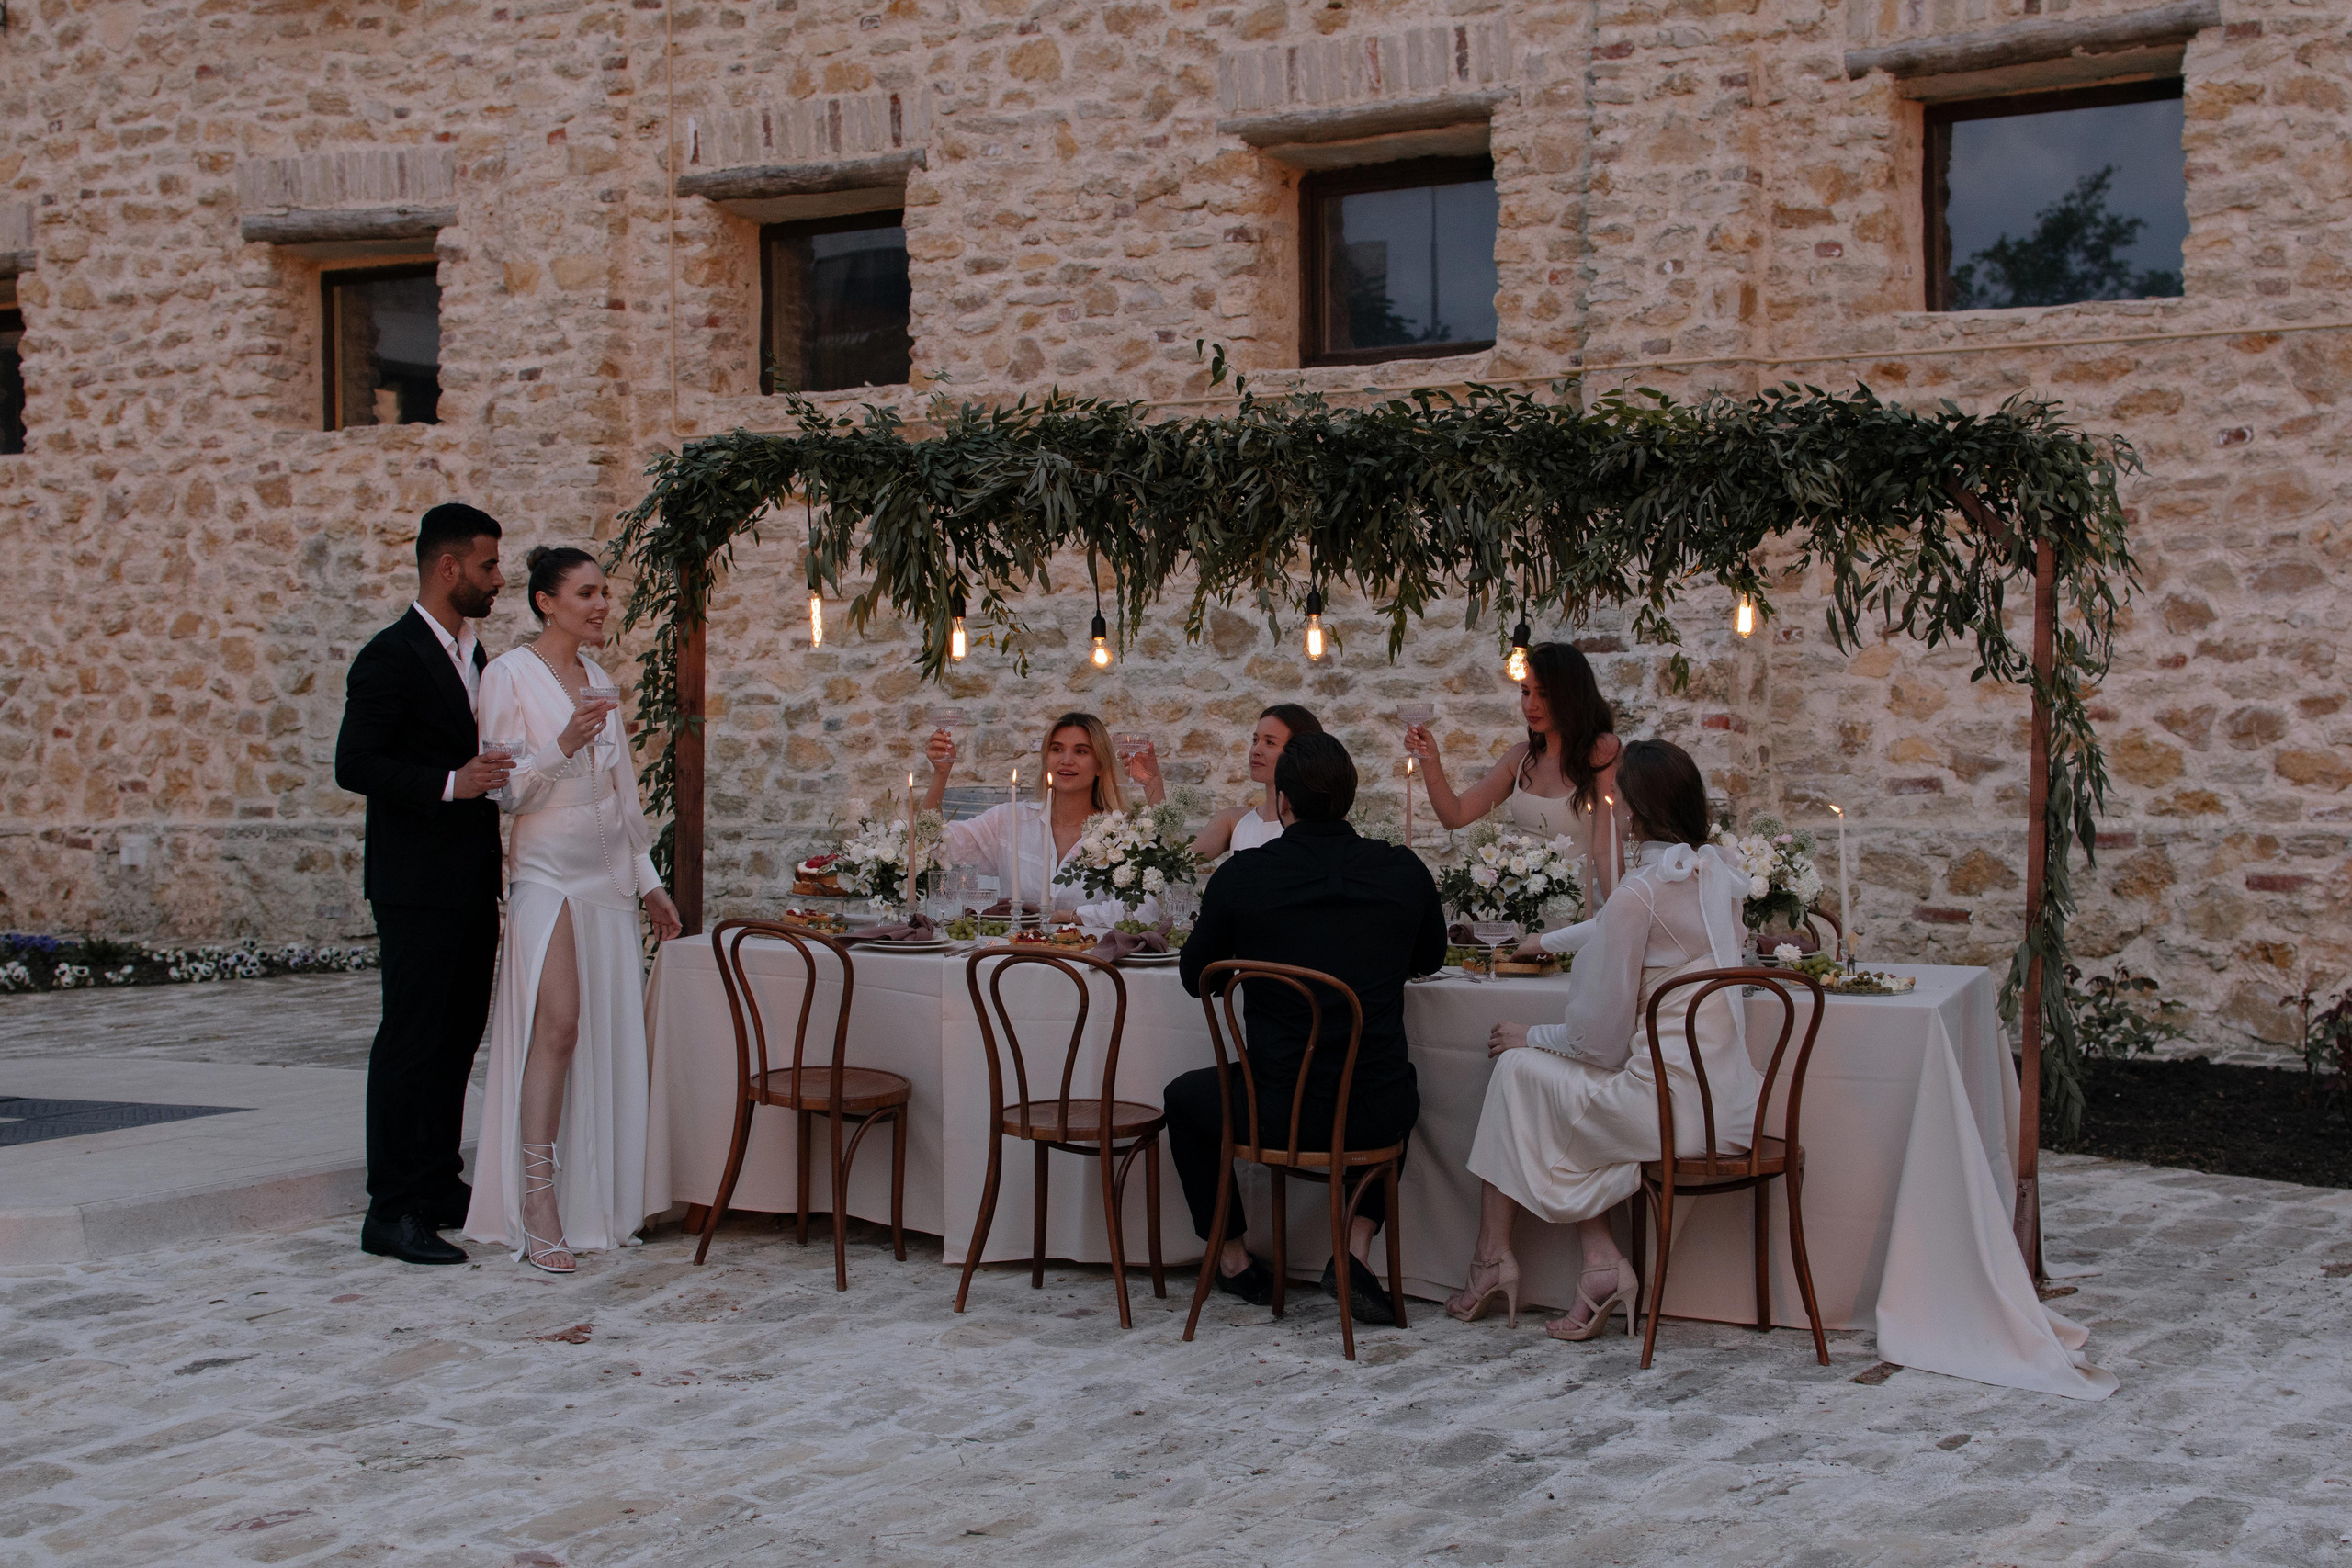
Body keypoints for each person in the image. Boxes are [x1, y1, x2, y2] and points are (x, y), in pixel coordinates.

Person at [1445, 739, 1754, 1341]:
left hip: (1668, 1115)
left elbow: (1600, 1041)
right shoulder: (1713, 873)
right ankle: (1596, 1265)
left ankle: (1498, 1258)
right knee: (1540, 1077)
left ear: (1634, 812)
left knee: (1516, 1068)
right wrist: (1554, 940)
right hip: (1730, 1103)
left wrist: (1529, 1033)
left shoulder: (1642, 891)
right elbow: (1635, 923)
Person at [1169, 732, 1446, 1325]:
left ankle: (1236, 1258)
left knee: (1184, 1098)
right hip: (1370, 1109)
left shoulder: (1245, 875)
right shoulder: (1401, 869)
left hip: (1275, 1106)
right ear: (1348, 799)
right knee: (1400, 1085)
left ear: (1283, 799)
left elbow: (1197, 977)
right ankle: (1353, 1247)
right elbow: (1430, 959)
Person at [464, 547, 682, 1273]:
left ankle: (605, 1200)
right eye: (586, 593)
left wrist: (649, 882)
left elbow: (623, 798)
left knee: (607, 1031)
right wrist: (561, 744)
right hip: (547, 874)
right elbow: (504, 792)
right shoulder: (508, 676)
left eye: (605, 593)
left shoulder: (599, 679)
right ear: (547, 602)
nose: (600, 605)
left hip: (606, 881)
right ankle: (537, 1199)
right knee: (556, 1026)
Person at [335, 503, 514, 1266]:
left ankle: (441, 1182)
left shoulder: (477, 655)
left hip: (471, 879)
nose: (497, 580)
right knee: (410, 1042)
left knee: (456, 1038)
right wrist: (451, 782)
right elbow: (356, 763)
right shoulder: (391, 655)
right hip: (414, 884)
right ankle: (391, 1208)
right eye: (487, 567)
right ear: (448, 568)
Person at [1406, 641, 1626, 899]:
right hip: (1524, 912)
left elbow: (1606, 849)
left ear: (1570, 695)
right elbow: (1454, 815)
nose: (1530, 705)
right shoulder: (1520, 758)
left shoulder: (1601, 751)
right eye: (1525, 692)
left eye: (1543, 694)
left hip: (1584, 912)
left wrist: (1617, 920)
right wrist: (1430, 759)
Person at [921, 711, 1167, 927]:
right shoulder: (1009, 820)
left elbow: (1145, 910)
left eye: (1081, 751)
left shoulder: (1123, 834)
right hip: (1015, 961)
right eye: (1056, 749)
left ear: (1100, 765)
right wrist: (941, 774)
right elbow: (932, 843)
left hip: (1092, 966)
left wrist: (1068, 916)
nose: (1066, 760)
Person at [1191, 703, 1321, 858]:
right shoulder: (1233, 820)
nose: (1256, 750)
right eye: (1255, 740)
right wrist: (1154, 781)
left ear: (1300, 751)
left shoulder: (1320, 827)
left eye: (1270, 743)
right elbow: (1174, 858)